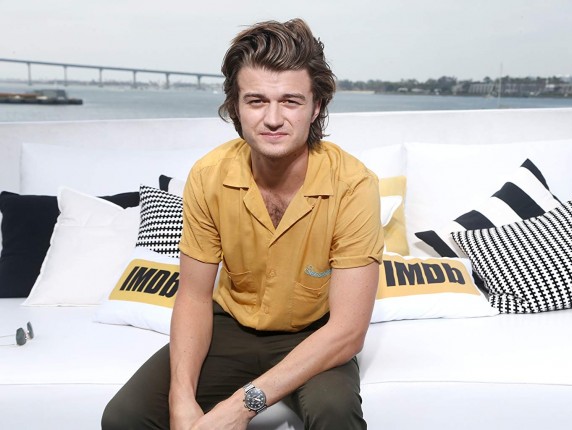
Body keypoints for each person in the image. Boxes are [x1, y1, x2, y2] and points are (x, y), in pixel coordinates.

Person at [102, 18, 383, 430]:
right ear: (235, 106)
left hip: (314, 333)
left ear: (316, 107)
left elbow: (347, 330)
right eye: (256, 101)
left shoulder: (354, 185)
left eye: (291, 101)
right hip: (230, 326)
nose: (273, 118)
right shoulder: (209, 175)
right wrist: (181, 399)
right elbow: (194, 297)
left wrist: (241, 406)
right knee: (124, 417)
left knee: (333, 411)